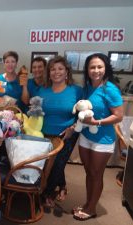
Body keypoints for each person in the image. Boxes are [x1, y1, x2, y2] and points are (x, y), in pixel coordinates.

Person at [73, 53, 123, 221]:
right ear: (87, 70)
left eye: (99, 67)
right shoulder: (87, 87)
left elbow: (118, 116)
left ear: (106, 68)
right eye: (92, 67)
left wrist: (97, 123)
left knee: (96, 173)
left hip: (103, 140)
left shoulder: (110, 89)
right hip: (86, 137)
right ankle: (88, 203)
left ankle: (92, 208)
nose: (96, 70)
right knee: (89, 172)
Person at [38, 56, 83, 207]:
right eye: (52, 69)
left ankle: (47, 193)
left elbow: (83, 114)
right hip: (44, 134)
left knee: (57, 164)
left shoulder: (76, 91)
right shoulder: (43, 89)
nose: (56, 72)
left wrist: (73, 128)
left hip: (67, 134)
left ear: (66, 72)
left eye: (60, 69)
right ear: (48, 72)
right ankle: (62, 186)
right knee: (48, 164)